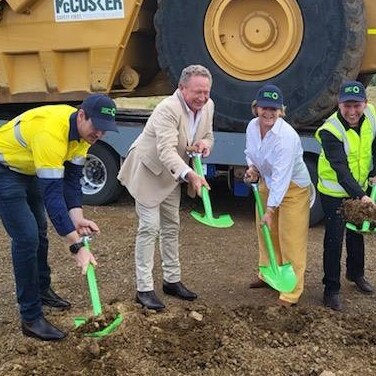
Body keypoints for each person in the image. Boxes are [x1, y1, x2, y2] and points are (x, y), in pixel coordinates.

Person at [0, 94, 118, 341]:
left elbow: (72, 181)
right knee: (27, 237)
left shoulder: (84, 134)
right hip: (5, 169)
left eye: (105, 130)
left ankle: (42, 290)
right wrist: (76, 246)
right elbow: (53, 195)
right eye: (97, 127)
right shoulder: (51, 132)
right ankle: (30, 318)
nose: (99, 134)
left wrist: (77, 218)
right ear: (82, 115)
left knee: (40, 230)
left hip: (29, 167)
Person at [118, 64, 214, 311]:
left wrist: (204, 143)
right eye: (197, 92)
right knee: (149, 228)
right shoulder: (167, 109)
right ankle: (144, 289)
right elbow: (166, 150)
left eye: (206, 92)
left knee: (172, 225)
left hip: (173, 175)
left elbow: (209, 136)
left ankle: (172, 280)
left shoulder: (208, 106)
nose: (202, 98)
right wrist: (190, 174)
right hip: (150, 171)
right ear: (181, 88)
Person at [244, 84, 311, 307]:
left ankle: (291, 291)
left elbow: (283, 176)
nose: (269, 113)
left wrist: (271, 209)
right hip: (267, 182)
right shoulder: (252, 127)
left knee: (290, 238)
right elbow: (250, 152)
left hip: (292, 188)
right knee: (265, 232)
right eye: (264, 108)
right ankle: (268, 275)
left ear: (281, 111)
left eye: (274, 109)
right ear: (256, 108)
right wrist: (252, 167)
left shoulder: (286, 137)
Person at [315, 80, 376, 311]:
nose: (352, 112)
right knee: (334, 238)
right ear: (338, 105)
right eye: (346, 106)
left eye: (356, 106)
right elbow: (340, 169)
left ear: (365, 103)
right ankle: (331, 289)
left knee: (357, 231)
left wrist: (375, 170)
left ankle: (356, 274)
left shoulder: (371, 115)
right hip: (333, 191)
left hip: (359, 187)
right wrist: (362, 196)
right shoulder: (330, 131)